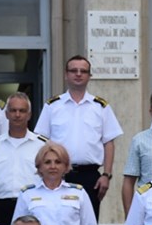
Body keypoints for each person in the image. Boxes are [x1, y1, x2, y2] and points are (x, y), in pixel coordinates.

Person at [33, 54, 122, 207]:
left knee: (89, 219)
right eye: (74, 71)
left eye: (83, 71)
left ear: (89, 76)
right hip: (58, 175)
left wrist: (106, 175)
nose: (78, 74)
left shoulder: (100, 107)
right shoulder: (52, 106)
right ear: (66, 75)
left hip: (90, 177)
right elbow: (41, 142)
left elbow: (109, 143)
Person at [0, 92, 46, 225]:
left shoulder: (42, 146)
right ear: (6, 114)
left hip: (32, 206)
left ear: (29, 115)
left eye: (22, 111)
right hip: (0, 207)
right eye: (13, 110)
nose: (17, 115)